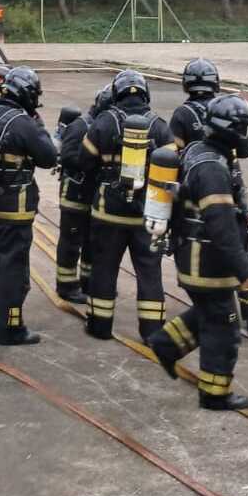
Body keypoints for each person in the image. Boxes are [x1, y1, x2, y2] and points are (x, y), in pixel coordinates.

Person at [148, 95, 248, 411]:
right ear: (232, 131)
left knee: (207, 314)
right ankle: (214, 393)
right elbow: (221, 227)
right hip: (207, 260)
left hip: (195, 255)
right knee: (224, 325)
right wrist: (245, 271)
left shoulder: (201, 151)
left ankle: (165, 344)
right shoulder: (212, 168)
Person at [168, 58, 248, 334]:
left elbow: (173, 156)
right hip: (232, 182)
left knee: (207, 238)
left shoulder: (182, 115)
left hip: (203, 183)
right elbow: (245, 149)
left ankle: (214, 304)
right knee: (243, 244)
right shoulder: (229, 107)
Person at [78, 69, 172, 341]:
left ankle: (99, 326)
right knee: (149, 273)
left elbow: (84, 161)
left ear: (116, 94)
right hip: (148, 214)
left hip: (108, 212)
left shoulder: (104, 122)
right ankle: (152, 331)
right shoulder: (160, 126)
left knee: (104, 268)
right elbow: (173, 168)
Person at [0, 67, 57, 345]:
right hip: (14, 209)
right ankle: (10, 329)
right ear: (27, 94)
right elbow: (48, 157)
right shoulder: (23, 123)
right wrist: (38, 124)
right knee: (13, 270)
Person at [55, 84, 113, 304]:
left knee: (92, 241)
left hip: (93, 197)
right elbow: (68, 156)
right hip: (74, 196)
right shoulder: (80, 126)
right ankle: (66, 286)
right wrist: (93, 161)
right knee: (71, 241)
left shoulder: (102, 127)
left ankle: (88, 283)